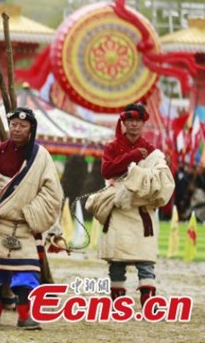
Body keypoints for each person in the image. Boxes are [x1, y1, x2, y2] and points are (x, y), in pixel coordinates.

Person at [0, 107, 63, 330]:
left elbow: (53, 192)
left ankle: (24, 316)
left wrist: (31, 211)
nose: (17, 129)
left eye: (22, 126)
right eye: (14, 124)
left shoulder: (41, 157)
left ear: (30, 128)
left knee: (27, 274)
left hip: (26, 226)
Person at [86, 103, 174, 306]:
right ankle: (119, 305)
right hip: (118, 208)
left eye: (137, 121)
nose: (134, 125)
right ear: (123, 123)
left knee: (146, 261)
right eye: (130, 121)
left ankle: (149, 304)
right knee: (116, 262)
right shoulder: (112, 147)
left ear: (143, 124)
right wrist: (132, 157)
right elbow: (107, 171)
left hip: (142, 211)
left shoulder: (152, 150)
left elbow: (161, 179)